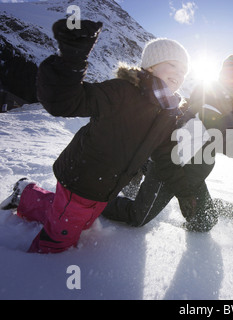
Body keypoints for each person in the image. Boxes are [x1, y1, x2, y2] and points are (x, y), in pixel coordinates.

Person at [0, 19, 189, 253]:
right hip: (81, 179)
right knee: (58, 241)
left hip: (106, 189)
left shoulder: (167, 112)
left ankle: (26, 194)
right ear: (151, 65)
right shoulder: (122, 91)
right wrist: (71, 61)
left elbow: (160, 150)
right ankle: (32, 272)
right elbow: (66, 101)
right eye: (173, 65)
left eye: (184, 71)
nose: (179, 74)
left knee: (83, 221)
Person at [102, 55, 233, 232]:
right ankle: (99, 203)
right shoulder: (211, 106)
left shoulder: (225, 107)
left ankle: (141, 166)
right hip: (170, 171)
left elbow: (228, 137)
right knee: (138, 217)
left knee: (204, 223)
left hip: (192, 174)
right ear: (232, 81)